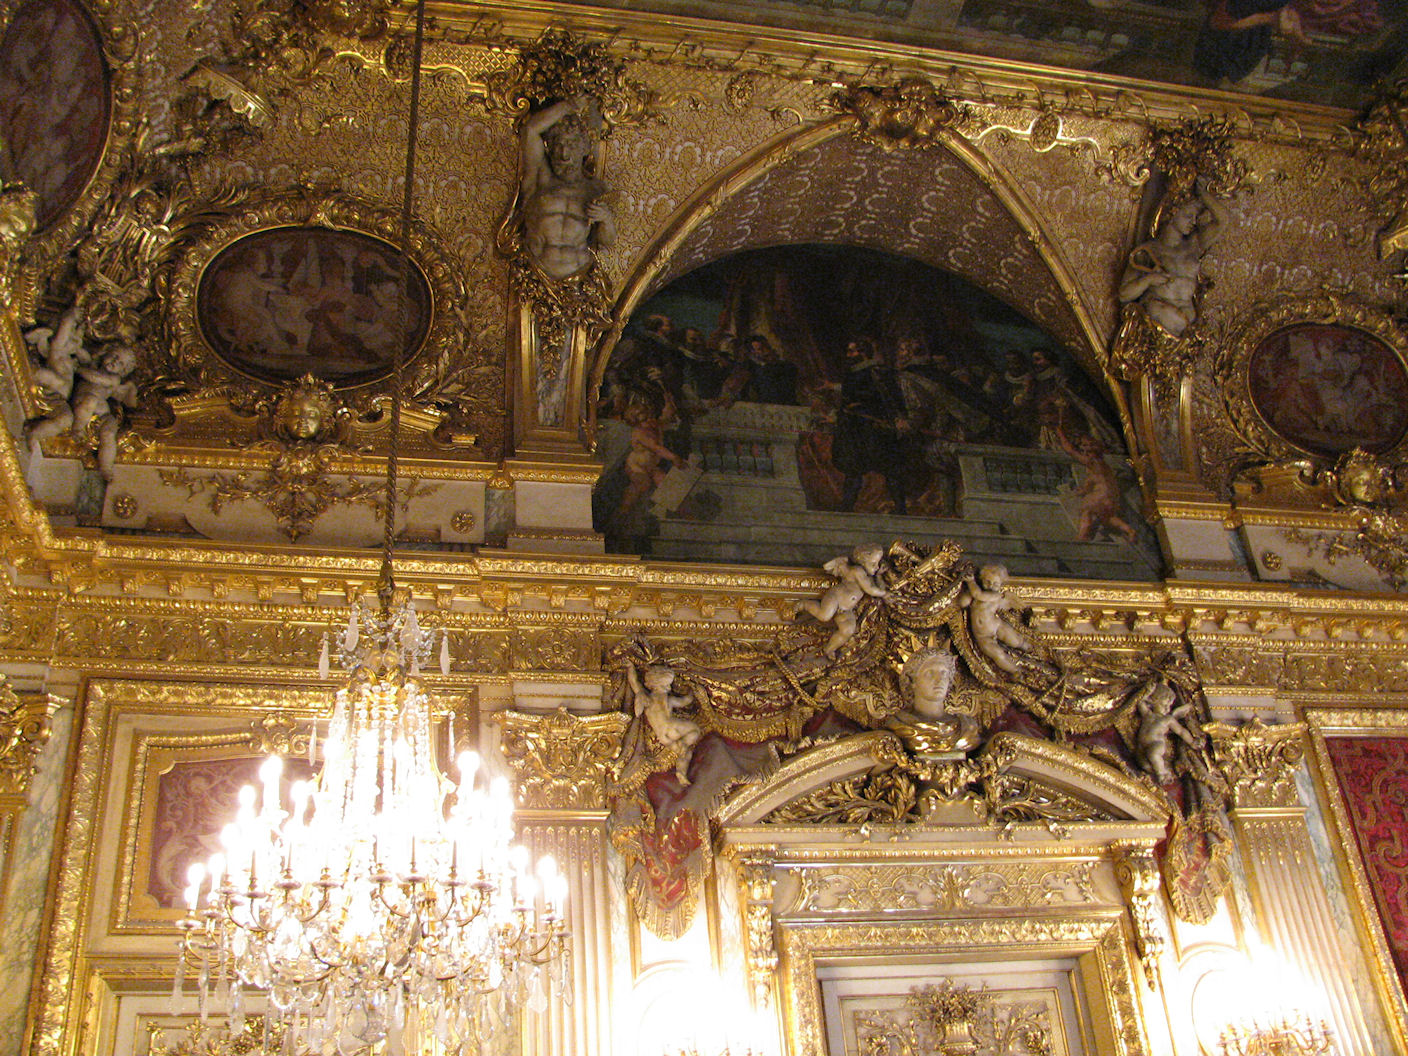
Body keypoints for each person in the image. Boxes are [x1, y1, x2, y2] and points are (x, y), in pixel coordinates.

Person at [519, 97, 616, 281]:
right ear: (550, 148)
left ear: (584, 148)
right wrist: (568, 105)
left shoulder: (596, 189)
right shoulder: (540, 179)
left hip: (578, 278)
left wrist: (606, 219)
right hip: (535, 275)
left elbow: (606, 241)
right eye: (558, 146)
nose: (564, 154)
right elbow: (530, 130)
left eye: (571, 146)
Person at [1118, 185, 1227, 339]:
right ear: (1172, 213)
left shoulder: (1194, 245)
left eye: (1195, 217)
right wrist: (1149, 280)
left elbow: (1223, 221)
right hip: (1160, 322)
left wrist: (1203, 193)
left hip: (1189, 327)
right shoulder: (1149, 251)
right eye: (1188, 216)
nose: (1193, 221)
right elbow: (1124, 294)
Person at [831, 337, 913, 514]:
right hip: (855, 428)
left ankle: (900, 508)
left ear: (863, 353)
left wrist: (899, 418)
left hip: (876, 426)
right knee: (853, 469)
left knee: (891, 467)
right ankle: (847, 507)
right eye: (848, 351)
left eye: (852, 351)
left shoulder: (880, 372)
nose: (849, 355)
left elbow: (893, 397)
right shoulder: (852, 373)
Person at [796, 543, 889, 657]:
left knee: (848, 630)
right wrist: (885, 594)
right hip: (835, 598)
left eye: (878, 563)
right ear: (862, 561)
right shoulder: (857, 571)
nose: (877, 567)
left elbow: (879, 589)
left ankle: (829, 649)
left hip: (846, 609)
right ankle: (804, 604)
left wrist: (879, 576)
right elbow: (870, 589)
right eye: (873, 564)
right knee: (824, 616)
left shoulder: (869, 577)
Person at [627, 662, 702, 785]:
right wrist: (692, 692)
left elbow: (634, 682)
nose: (670, 688)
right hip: (671, 727)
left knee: (685, 753)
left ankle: (681, 772)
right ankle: (683, 745)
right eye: (668, 685)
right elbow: (685, 701)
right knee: (695, 730)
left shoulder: (646, 699)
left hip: (663, 737)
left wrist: (630, 667)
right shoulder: (667, 699)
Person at [959, 564, 1033, 676]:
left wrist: (971, 582)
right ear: (981, 580)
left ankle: (1026, 646)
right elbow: (962, 603)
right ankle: (1015, 671)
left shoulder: (995, 596)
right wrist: (966, 593)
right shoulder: (974, 594)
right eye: (987, 582)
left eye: (995, 584)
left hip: (997, 626)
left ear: (1000, 585)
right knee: (998, 655)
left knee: (1015, 641)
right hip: (982, 635)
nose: (991, 586)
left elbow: (979, 595)